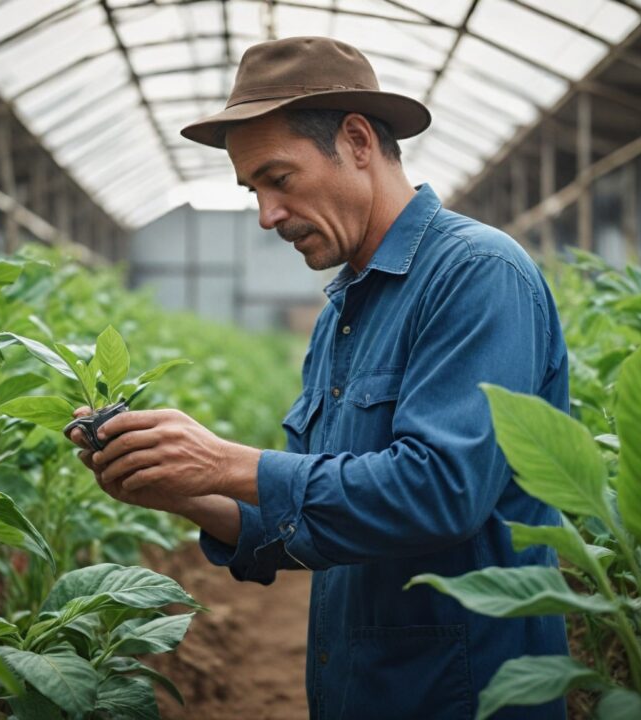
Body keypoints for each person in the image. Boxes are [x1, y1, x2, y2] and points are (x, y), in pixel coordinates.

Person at [67, 36, 569, 720]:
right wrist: (184, 488)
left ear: (358, 140)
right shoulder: (343, 316)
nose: (267, 216)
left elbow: (441, 492)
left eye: (280, 179)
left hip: (462, 693)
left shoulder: (476, 275)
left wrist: (226, 460)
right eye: (253, 191)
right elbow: (314, 519)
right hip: (359, 689)